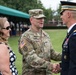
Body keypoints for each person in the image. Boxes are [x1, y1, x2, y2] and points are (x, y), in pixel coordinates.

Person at [18, 9, 61, 75]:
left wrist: (66, 55)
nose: (42, 20)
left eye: (43, 18)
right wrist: (51, 66)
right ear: (31, 20)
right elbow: (31, 58)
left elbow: (52, 53)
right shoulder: (25, 37)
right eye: (39, 18)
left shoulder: (45, 35)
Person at [53, 1, 76, 75]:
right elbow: (70, 59)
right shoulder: (72, 33)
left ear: (68, 14)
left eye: (62, 14)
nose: (61, 17)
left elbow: (74, 66)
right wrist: (61, 66)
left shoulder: (74, 36)